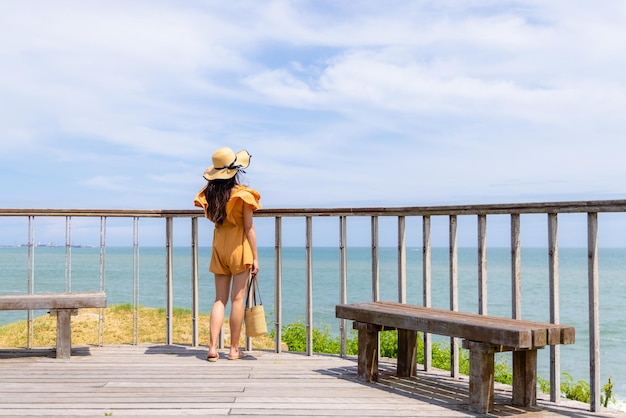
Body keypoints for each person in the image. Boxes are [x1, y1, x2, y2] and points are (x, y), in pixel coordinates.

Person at [194, 147, 261, 361]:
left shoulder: (211, 196)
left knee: (219, 300)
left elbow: (209, 185)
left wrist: (213, 175)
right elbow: (249, 228)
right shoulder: (243, 196)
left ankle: (212, 348)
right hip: (239, 248)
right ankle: (233, 350)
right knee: (237, 299)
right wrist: (256, 257)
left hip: (219, 247)